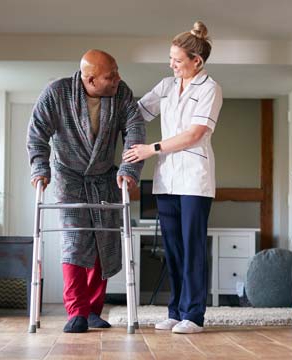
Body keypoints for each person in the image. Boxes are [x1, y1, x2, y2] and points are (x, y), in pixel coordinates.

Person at [26, 49, 145, 333]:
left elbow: (135, 130)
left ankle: (93, 310)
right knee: (74, 239)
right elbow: (37, 133)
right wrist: (40, 168)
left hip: (104, 176)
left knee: (103, 241)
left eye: (117, 71)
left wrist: (128, 171)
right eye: (110, 75)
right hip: (69, 176)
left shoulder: (122, 94)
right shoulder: (57, 93)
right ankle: (76, 311)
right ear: (89, 80)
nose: (118, 78)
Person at [123, 21, 222, 334]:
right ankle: (176, 310)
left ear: (197, 61)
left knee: (193, 247)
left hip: (195, 179)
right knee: (173, 248)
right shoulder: (166, 86)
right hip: (166, 179)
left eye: (178, 60)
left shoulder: (210, 89)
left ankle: (194, 315)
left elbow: (194, 134)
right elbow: (137, 112)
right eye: (171, 59)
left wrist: (150, 148)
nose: (172, 65)